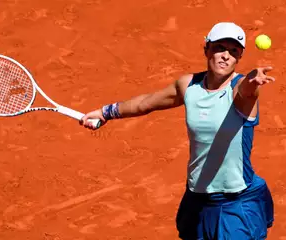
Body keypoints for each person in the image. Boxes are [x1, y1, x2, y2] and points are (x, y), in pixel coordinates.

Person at [80, 22, 275, 240]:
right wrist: (106, 112)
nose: (225, 56)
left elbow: (247, 92)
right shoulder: (189, 86)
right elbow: (146, 102)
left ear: (239, 58)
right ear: (207, 49)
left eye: (233, 51)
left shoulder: (239, 90)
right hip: (197, 198)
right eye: (220, 47)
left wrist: (252, 81)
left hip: (234, 203)